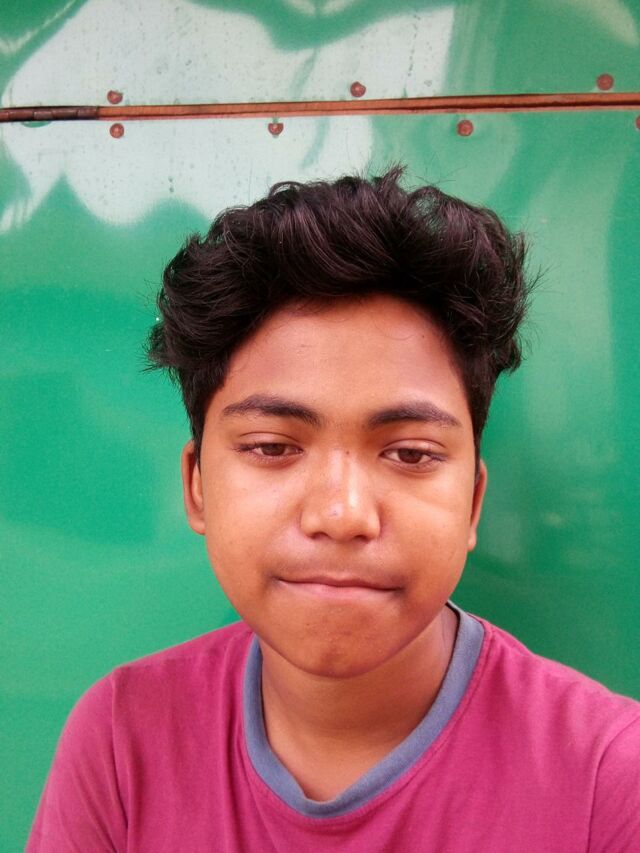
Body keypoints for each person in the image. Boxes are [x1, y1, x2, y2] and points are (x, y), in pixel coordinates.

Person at [27, 166, 639, 851]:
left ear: (473, 502)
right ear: (197, 486)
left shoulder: (611, 780)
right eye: (272, 446)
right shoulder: (121, 742)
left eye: (409, 453)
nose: (343, 514)